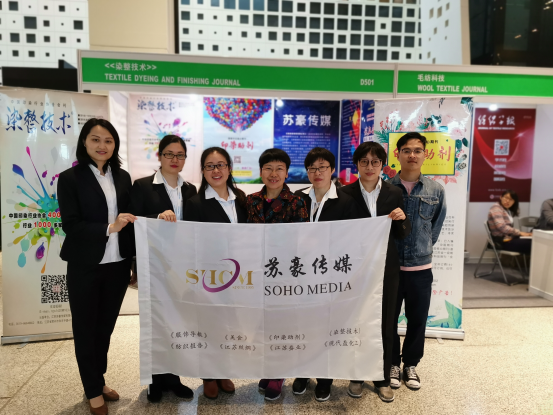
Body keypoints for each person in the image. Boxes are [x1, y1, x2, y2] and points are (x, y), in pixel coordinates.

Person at [57, 118, 136, 415]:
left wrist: (132, 261)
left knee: (104, 328)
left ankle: (97, 380)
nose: (102, 145)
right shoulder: (70, 178)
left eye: (108, 140)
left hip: (117, 264)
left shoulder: (123, 177)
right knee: (85, 328)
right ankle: (92, 391)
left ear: (115, 145)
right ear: (84, 142)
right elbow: (71, 225)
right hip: (85, 264)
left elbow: (131, 219)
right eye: (95, 139)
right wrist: (109, 228)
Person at [339, 142, 411, 403]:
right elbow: (338, 234)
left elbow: (402, 234)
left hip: (386, 268)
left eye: (375, 162)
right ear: (356, 164)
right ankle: (357, 375)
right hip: (354, 269)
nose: (369, 167)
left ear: (383, 164)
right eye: (364, 162)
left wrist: (402, 219)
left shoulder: (394, 193)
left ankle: (381, 378)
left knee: (386, 321)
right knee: (356, 321)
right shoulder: (343, 193)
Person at [129, 135, 197, 402]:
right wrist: (157, 218)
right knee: (155, 322)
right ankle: (154, 380)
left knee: (177, 321)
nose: (175, 159)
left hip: (182, 268)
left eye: (180, 155)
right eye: (169, 154)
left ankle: (174, 378)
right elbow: (133, 221)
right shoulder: (143, 186)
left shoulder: (190, 189)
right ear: (159, 156)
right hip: (154, 265)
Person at [291, 147, 360, 402]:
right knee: (302, 325)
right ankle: (302, 373)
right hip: (301, 275)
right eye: (312, 168)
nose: (317, 172)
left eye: (322, 167)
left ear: (332, 169)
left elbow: (351, 239)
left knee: (327, 327)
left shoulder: (345, 200)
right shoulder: (298, 197)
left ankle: (325, 378)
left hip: (330, 276)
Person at [183, 146, 247, 399]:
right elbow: (191, 244)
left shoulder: (241, 198)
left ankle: (223, 371)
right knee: (209, 325)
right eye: (210, 166)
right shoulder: (195, 203)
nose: (216, 170)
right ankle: (208, 375)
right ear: (203, 171)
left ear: (229, 168)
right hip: (209, 277)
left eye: (221, 165)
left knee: (229, 324)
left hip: (239, 276)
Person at [246, 148, 308, 401]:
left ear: (286, 173)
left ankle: (279, 373)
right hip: (257, 272)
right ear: (261, 172)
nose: (274, 174)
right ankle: (269, 368)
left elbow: (301, 241)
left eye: (279, 169)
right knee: (262, 323)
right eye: (268, 168)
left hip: (284, 275)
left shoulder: (296, 202)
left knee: (282, 323)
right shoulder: (250, 200)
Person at [387, 132, 446, 392]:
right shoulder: (386, 188)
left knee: (418, 319)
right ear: (398, 154)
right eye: (407, 150)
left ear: (425, 154)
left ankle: (410, 364)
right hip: (390, 268)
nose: (412, 155)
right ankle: (392, 363)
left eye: (417, 150)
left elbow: (435, 227)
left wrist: (423, 248)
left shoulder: (435, 190)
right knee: (388, 319)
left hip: (420, 268)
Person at [487, 190, 532, 254]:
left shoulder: (507, 210)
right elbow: (501, 227)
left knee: (532, 241)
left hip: (508, 239)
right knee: (532, 244)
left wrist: (524, 234)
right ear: (501, 197)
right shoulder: (496, 208)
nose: (508, 201)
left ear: (514, 202)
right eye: (506, 197)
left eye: (511, 199)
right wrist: (519, 232)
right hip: (501, 242)